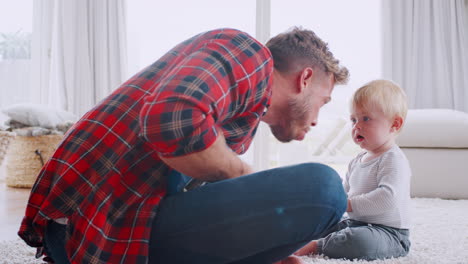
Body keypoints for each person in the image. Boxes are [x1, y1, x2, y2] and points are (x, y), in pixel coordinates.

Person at [18, 27, 349, 264]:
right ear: (304, 79)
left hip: (116, 230)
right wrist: (241, 172)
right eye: (324, 100)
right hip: (94, 228)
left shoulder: (240, 121)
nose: (318, 118)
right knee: (327, 190)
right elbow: (169, 118)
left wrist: (261, 242)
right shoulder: (249, 53)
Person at [277, 79, 412, 264]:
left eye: (366, 118)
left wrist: (346, 204)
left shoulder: (393, 159)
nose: (357, 126)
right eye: (353, 119)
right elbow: (345, 193)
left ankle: (319, 246)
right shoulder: (358, 160)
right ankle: (303, 238)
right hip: (355, 223)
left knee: (360, 243)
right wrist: (329, 207)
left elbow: (387, 198)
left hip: (389, 233)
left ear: (394, 124)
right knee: (321, 223)